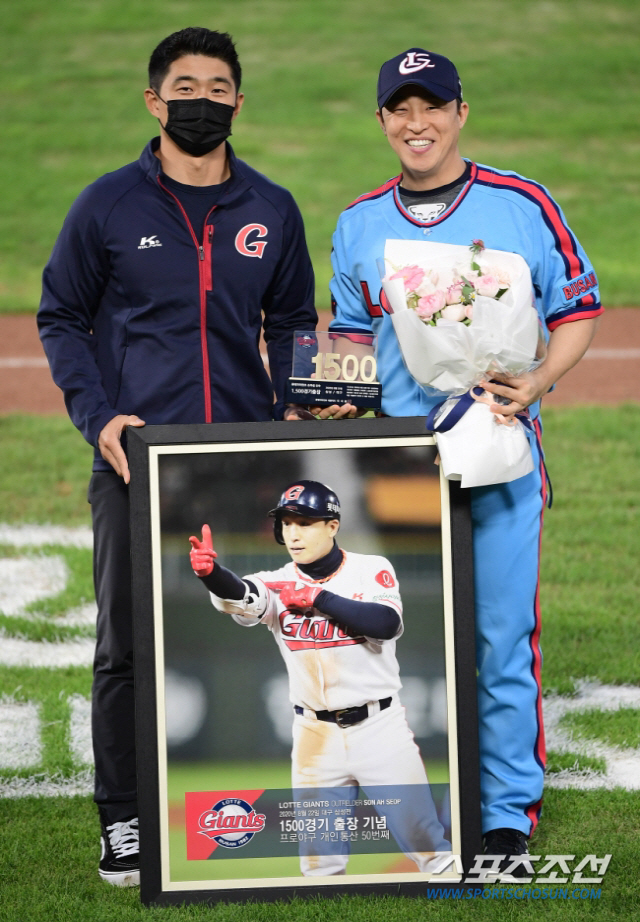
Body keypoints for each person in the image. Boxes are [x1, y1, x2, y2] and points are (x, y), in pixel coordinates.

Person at [37, 27, 319, 887]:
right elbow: (61, 317)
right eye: (186, 86)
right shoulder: (108, 206)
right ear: (155, 101)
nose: (204, 99)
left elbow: (295, 325)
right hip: (136, 459)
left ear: (239, 100)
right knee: (125, 645)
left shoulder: (271, 209)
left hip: (242, 466)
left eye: (220, 86)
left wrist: (289, 417)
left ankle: (261, 800)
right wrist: (100, 419)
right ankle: (124, 818)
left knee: (255, 629)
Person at [327, 48, 602, 875]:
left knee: (500, 635)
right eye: (400, 110)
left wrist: (539, 380)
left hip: (501, 456)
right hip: (397, 465)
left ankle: (507, 814)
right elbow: (347, 338)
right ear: (381, 120)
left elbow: (579, 308)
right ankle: (406, 796)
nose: (418, 124)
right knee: (388, 640)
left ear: (460, 112)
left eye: (433, 107)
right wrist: (341, 393)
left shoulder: (523, 204)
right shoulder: (358, 222)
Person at [189, 480, 450, 876]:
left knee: (429, 848)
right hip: (314, 735)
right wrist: (212, 574)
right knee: (319, 866)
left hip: (379, 728)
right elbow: (242, 593)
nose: (293, 533)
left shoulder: (370, 568)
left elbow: (386, 623)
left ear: (332, 525)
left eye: (305, 522)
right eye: (286, 523)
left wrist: (318, 599)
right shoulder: (275, 581)